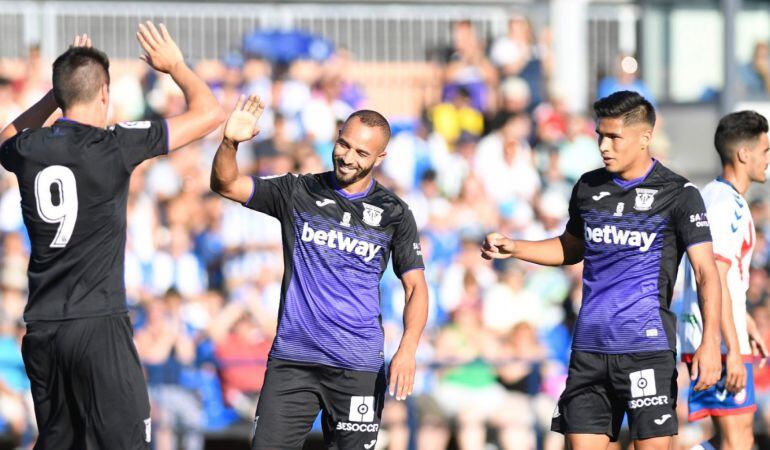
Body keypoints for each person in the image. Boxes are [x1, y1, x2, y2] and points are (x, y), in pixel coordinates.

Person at [0, 23, 224, 449]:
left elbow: (5, 138)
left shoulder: (30, 149)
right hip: (98, 325)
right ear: (105, 93)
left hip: (44, 328)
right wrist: (175, 66)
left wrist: (56, 93)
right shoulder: (114, 145)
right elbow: (210, 113)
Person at [481, 90, 722, 450]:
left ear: (644, 138)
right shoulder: (588, 188)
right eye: (600, 136)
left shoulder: (679, 194)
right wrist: (516, 247)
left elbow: (706, 272)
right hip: (589, 350)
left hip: (646, 348)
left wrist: (711, 341)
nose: (604, 146)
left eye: (613, 137)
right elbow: (571, 247)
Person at [210, 96, 429, 449]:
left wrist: (408, 348)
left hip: (357, 366)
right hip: (293, 360)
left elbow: (416, 287)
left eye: (362, 153)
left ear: (379, 158)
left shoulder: (395, 213)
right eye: (344, 144)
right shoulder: (297, 191)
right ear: (336, 136)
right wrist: (230, 142)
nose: (348, 157)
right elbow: (226, 184)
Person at [679, 110, 770, 450]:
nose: (768, 159)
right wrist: (730, 348)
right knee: (738, 440)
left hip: (717, 331)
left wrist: (744, 321)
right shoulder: (725, 205)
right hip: (715, 338)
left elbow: (728, 278)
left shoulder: (720, 198)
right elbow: (714, 275)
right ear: (744, 154)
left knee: (732, 438)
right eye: (765, 151)